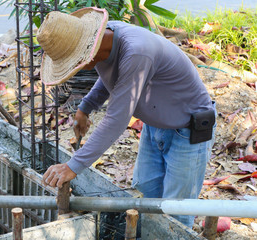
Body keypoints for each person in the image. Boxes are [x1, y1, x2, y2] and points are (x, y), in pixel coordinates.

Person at [37, 7, 216, 228]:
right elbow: (109, 77)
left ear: (87, 54)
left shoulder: (136, 52)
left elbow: (116, 120)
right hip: (155, 127)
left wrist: (73, 166)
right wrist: (85, 108)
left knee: (176, 213)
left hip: (188, 131)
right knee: (144, 197)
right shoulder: (105, 42)